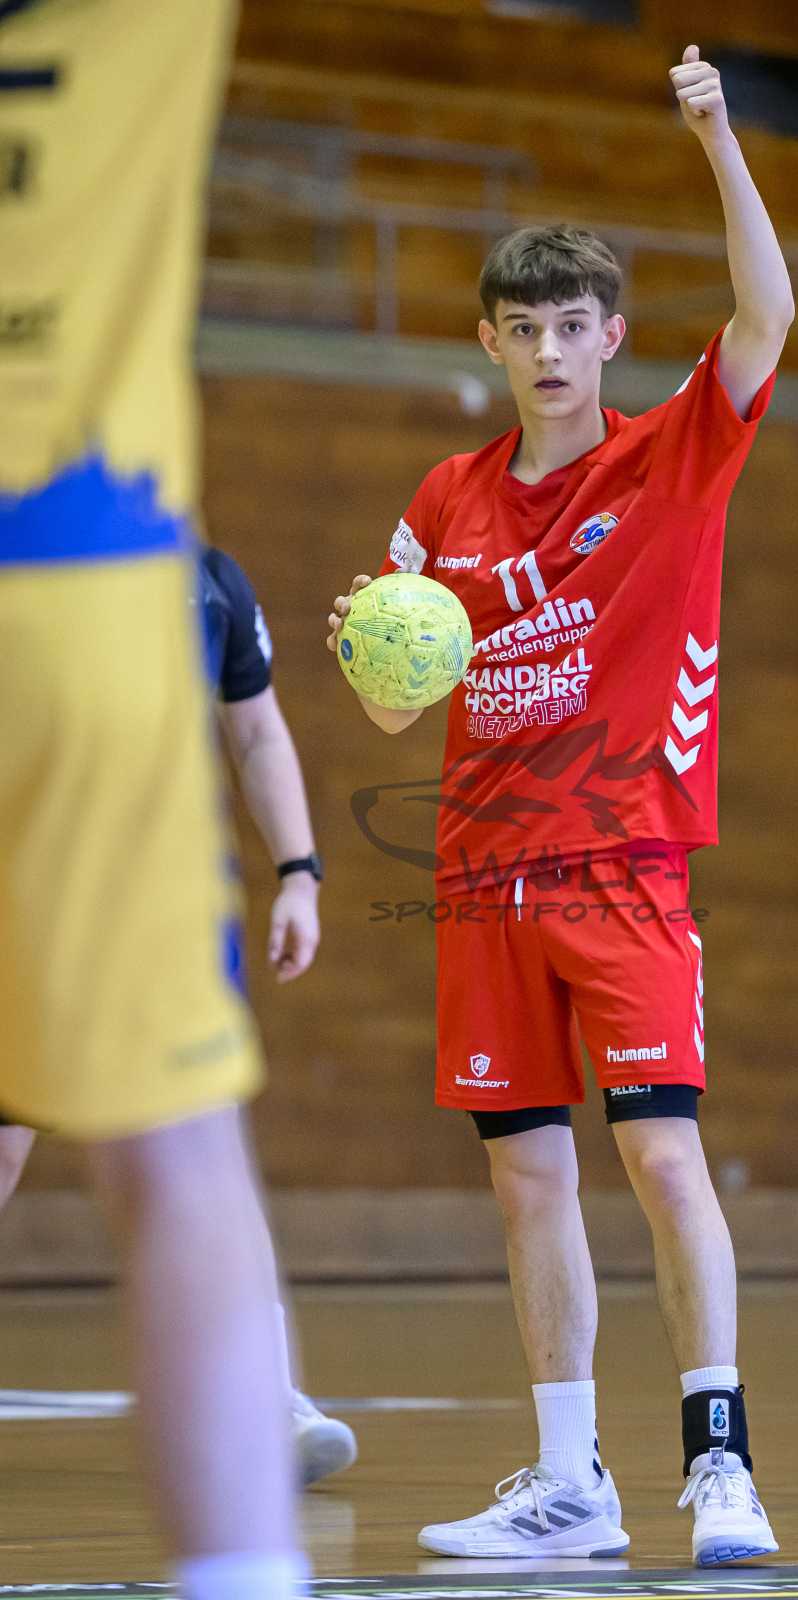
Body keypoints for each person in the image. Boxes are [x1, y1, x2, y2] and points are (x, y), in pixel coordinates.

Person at [328, 47, 793, 1566]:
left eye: (570, 327)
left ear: (608, 338)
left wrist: (715, 140)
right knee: (527, 1176)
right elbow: (392, 711)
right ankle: (566, 1481)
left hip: (622, 861)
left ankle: (717, 1460)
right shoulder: (444, 500)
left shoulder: (672, 457)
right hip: (479, 875)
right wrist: (372, 643)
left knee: (659, 1157)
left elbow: (766, 316)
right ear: (488, 339)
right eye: (520, 328)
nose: (545, 350)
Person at [1, 1, 306, 1595]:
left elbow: (261, 733)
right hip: (72, 572)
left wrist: (303, 860)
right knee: (176, 1160)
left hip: (106, 588)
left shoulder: (231, 594)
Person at [0, 541, 357, 1489]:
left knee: (204, 1144)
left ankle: (271, 1398)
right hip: (30, 894)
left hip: (162, 904)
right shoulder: (33, 549)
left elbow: (256, 730)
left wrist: (298, 873)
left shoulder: (210, 579)